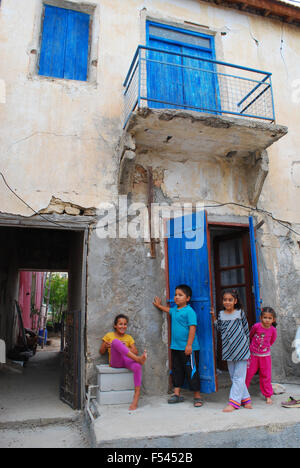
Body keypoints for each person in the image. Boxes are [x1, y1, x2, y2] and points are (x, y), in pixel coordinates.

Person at [153, 284, 203, 408]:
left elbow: (192, 328)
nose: (176, 297)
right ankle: (177, 394)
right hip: (176, 347)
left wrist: (189, 345)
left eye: (180, 295)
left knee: (192, 371)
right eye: (175, 295)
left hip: (189, 348)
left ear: (187, 298)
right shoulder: (175, 310)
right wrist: (159, 306)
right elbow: (168, 310)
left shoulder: (190, 311)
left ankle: (197, 396)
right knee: (177, 370)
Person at [211, 289, 252, 412]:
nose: (227, 302)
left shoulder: (240, 313)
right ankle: (246, 399)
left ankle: (233, 403)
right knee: (234, 376)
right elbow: (220, 329)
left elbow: (246, 330)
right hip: (229, 350)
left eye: (230, 300)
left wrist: (246, 347)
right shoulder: (221, 314)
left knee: (239, 377)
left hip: (241, 349)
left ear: (235, 301)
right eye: (225, 300)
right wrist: (214, 317)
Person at [99, 314, 147, 411]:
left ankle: (136, 399)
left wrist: (126, 347)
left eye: (125, 324)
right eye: (120, 324)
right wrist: (107, 346)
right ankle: (138, 359)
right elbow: (101, 352)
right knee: (116, 342)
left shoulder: (129, 337)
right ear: (115, 326)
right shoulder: (109, 336)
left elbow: (135, 351)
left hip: (127, 361)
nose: (123, 326)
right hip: (115, 362)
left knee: (137, 366)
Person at [246, 307, 277, 405]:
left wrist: (264, 349)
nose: (267, 320)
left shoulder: (273, 330)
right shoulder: (256, 326)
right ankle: (243, 394)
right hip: (253, 355)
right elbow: (250, 336)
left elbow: (272, 341)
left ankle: (268, 395)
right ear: (261, 318)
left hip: (265, 356)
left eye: (269, 318)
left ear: (273, 319)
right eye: (265, 317)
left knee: (266, 375)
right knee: (248, 374)